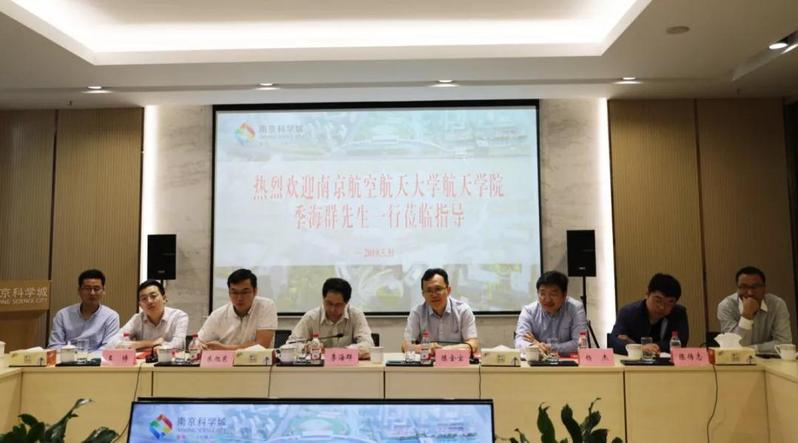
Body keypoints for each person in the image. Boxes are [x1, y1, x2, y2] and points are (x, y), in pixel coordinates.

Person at [288, 277, 374, 358]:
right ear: (323, 298)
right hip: (319, 368)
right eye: (329, 303)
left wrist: (342, 352)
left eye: (338, 305)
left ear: (347, 302)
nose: (332, 309)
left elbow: (368, 346)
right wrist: (306, 348)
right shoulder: (311, 317)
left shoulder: (356, 315)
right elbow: (289, 346)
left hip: (348, 367)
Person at [402, 268, 479, 355]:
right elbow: (405, 346)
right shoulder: (417, 313)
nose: (434, 295)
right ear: (423, 294)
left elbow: (473, 344)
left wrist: (445, 350)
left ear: (448, 290)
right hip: (427, 362)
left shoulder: (463, 311)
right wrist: (426, 347)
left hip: (455, 361)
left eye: (438, 289)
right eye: (429, 291)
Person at [717, 266, 792, 354]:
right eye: (744, 287)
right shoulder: (726, 306)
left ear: (764, 288)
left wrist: (753, 349)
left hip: (770, 359)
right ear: (737, 289)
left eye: (755, 287)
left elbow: (784, 343)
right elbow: (732, 346)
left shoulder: (777, 304)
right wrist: (746, 316)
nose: (750, 293)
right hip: (737, 360)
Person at [609, 273, 689, 355]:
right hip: (635, 361)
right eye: (658, 300)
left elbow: (681, 341)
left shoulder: (679, 313)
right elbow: (614, 342)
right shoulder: (628, 312)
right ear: (647, 294)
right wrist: (640, 348)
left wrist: (655, 346)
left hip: (666, 362)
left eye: (669, 303)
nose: (662, 307)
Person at [198, 268, 277, 350]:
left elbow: (262, 344)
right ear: (229, 293)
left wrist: (225, 348)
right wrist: (199, 346)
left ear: (255, 291)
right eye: (235, 292)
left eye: (245, 292)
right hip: (225, 359)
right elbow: (198, 341)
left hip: (258, 358)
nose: (239, 298)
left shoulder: (265, 306)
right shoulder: (218, 315)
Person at [514, 270, 587, 354]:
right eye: (542, 293)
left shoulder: (576, 308)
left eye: (553, 294)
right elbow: (519, 342)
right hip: (538, 360)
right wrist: (534, 347)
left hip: (568, 361)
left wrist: (549, 347)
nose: (547, 300)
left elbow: (580, 343)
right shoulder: (529, 311)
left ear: (564, 295)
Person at [48, 269, 120, 351]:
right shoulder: (62, 315)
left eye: (96, 288)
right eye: (87, 288)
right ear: (79, 290)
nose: (92, 293)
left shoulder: (111, 317)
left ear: (103, 290)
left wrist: (88, 358)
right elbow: (55, 345)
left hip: (97, 359)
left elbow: (108, 348)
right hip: (68, 357)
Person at [106, 280, 189, 351]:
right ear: (140, 305)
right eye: (144, 298)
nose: (149, 301)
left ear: (164, 298)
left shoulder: (179, 316)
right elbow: (112, 343)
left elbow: (179, 344)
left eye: (153, 296)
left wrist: (144, 347)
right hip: (143, 364)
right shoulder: (137, 319)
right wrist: (150, 343)